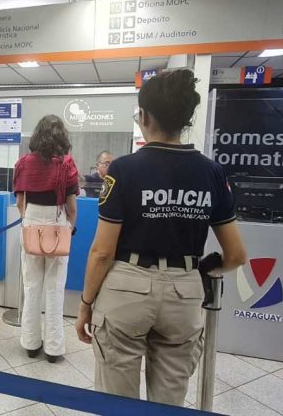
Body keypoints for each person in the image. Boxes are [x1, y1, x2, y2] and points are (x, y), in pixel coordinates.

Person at [74, 70, 247, 406]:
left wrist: (85, 306)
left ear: (144, 116)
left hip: (127, 290)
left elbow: (101, 253)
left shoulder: (123, 169)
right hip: (184, 293)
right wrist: (204, 270)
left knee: (117, 403)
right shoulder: (212, 172)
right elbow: (237, 255)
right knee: (169, 404)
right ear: (184, 119)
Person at [13, 115, 79, 363]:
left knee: (31, 287)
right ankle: (53, 348)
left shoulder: (23, 164)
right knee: (55, 288)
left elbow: (20, 203)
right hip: (58, 227)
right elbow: (71, 206)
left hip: (30, 225)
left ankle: (30, 343)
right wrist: (70, 226)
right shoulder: (67, 165)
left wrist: (31, 221)